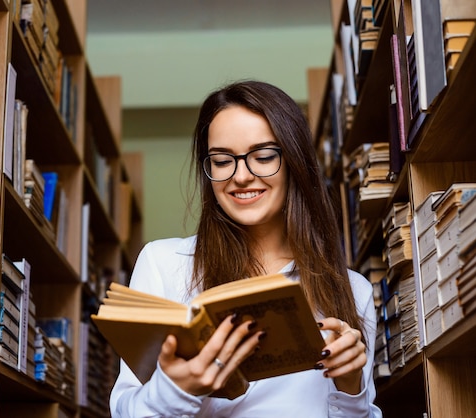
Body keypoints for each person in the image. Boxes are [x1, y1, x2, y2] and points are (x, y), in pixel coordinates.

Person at [109, 80, 382, 417]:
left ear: (295, 162)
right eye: (222, 161)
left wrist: (351, 387)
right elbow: (125, 411)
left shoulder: (354, 291)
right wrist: (177, 390)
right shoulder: (163, 263)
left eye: (263, 156)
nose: (240, 176)